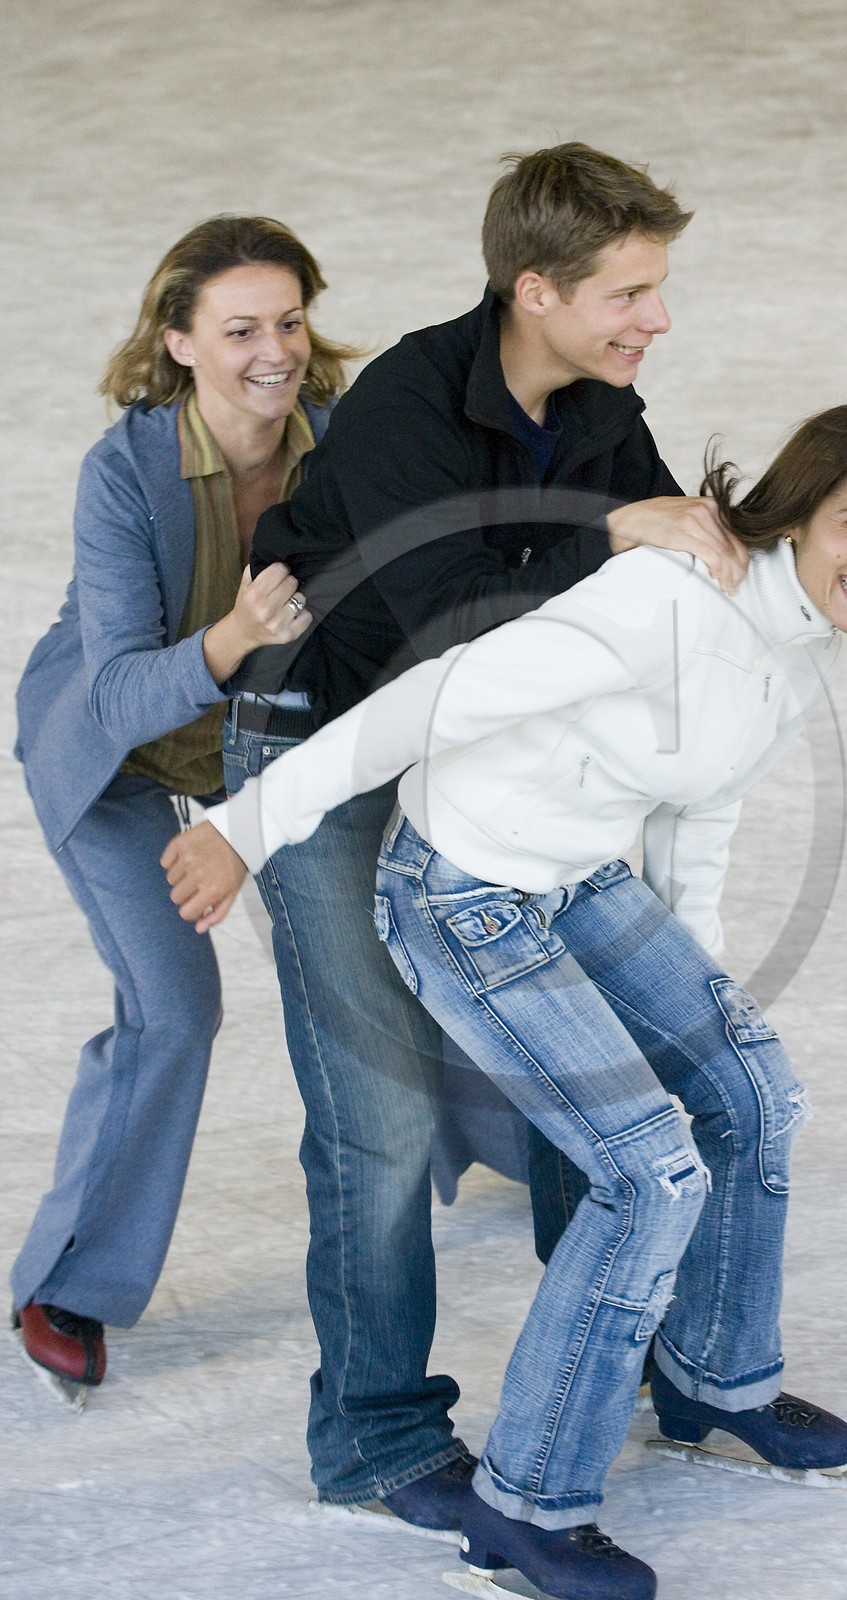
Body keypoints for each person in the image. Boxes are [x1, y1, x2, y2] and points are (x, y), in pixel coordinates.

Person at [164, 404, 847, 1600]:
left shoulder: (796, 647)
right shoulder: (667, 603)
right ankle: (525, 1506)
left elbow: (702, 809)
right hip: (464, 888)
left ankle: (711, 1377)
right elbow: (428, 699)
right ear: (793, 512)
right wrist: (243, 825)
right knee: (648, 1170)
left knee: (752, 1086)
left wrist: (696, 1005)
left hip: (577, 875)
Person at [206, 142, 746, 1531]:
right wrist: (618, 534)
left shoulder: (601, 400)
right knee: (377, 1114)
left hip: (487, 746)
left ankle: (604, 1356)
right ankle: (375, 1440)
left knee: (592, 1069)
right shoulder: (401, 409)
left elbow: (621, 602)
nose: (654, 320)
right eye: (628, 292)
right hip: (323, 739)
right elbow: (449, 619)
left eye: (655, 290)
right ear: (534, 289)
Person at [10, 215, 359, 1405]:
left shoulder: (341, 444)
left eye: (290, 321)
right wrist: (235, 635)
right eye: (241, 328)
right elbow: (111, 685)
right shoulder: (124, 472)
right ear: (179, 344)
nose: (276, 351)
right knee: (172, 1008)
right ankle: (69, 1281)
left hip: (263, 747)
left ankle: (505, 1143)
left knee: (394, 933)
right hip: (109, 756)